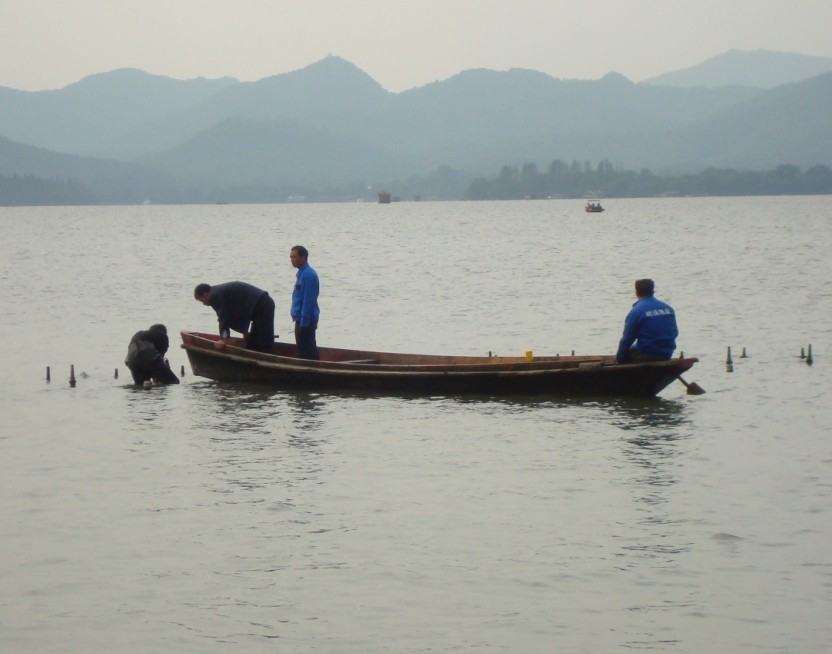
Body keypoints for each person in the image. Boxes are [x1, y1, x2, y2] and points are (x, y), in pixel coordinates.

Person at [194, 281, 275, 352]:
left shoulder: (214, 296)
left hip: (262, 304)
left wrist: (224, 339)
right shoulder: (218, 292)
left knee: (265, 342)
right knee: (252, 343)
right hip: (260, 305)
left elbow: (223, 317)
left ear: (205, 295)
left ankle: (269, 361)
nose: (204, 304)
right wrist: (244, 331)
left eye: (202, 301)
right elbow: (235, 313)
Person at [615, 278, 679, 364]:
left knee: (627, 352)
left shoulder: (636, 311)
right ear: (653, 291)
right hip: (667, 353)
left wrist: (618, 361)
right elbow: (675, 333)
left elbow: (627, 340)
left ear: (637, 293)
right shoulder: (668, 309)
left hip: (647, 355)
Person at [289, 245, 320, 360]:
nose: (292, 260)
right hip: (300, 320)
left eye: (295, 257)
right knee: (305, 350)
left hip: (305, 321)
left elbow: (308, 301)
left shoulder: (308, 275)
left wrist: (304, 324)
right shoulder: (302, 274)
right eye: (291, 257)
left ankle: (314, 373)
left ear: (303, 257)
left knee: (307, 353)